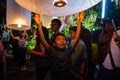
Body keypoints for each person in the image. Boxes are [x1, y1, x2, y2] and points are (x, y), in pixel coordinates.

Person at [34, 11, 85, 80]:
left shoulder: (68, 51)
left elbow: (76, 38)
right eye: (59, 39)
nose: (62, 41)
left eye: (63, 39)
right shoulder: (52, 51)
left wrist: (79, 22)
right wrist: (39, 24)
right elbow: (43, 40)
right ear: (54, 43)